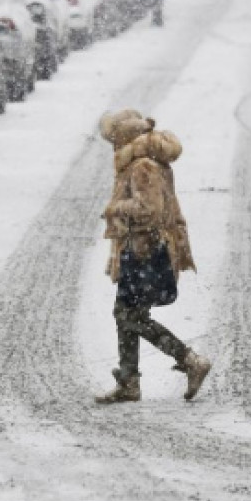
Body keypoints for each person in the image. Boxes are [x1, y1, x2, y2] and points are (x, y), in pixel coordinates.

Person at [95, 109, 210, 404]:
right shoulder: (145, 161)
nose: (113, 146)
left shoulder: (142, 165)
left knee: (128, 314)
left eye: (114, 139)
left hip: (147, 250)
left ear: (124, 137)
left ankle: (189, 360)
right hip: (141, 249)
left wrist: (115, 209)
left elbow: (149, 211)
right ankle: (129, 381)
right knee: (127, 313)